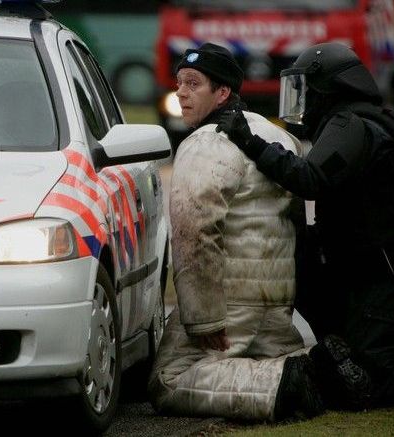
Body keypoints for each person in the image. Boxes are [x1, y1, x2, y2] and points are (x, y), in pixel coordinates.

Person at [216, 42, 394, 410]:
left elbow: (311, 178)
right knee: (301, 255)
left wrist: (250, 141)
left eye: (305, 90)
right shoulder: (361, 119)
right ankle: (342, 348)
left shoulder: (353, 124)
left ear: (327, 90)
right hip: (376, 270)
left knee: (358, 386)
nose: (300, 101)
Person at [147, 43, 324, 421]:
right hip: (276, 300)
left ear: (223, 92)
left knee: (170, 379)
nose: (180, 92)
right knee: (276, 359)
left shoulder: (205, 142)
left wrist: (203, 319)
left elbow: (194, 231)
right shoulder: (281, 139)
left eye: (193, 84)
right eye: (179, 83)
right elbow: (297, 226)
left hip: (227, 305)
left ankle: (279, 387)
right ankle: (309, 370)